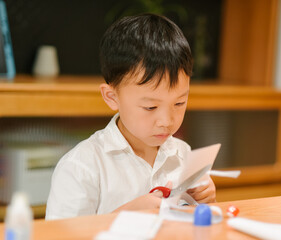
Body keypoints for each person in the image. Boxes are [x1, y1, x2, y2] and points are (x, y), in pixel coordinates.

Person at [45, 13, 216, 220]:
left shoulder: (184, 155)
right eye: (150, 107)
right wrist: (121, 217)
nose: (167, 121)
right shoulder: (82, 167)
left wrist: (204, 202)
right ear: (112, 97)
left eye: (179, 103)